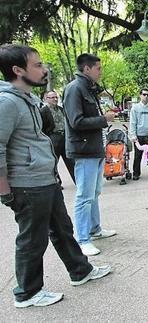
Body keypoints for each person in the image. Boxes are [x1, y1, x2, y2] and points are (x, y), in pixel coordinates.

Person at [0, 44, 111, 308]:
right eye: (37, 65)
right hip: (27, 185)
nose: (44, 69)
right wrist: (5, 191)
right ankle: (27, 292)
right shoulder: (7, 103)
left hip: (46, 180)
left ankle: (80, 271)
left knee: (63, 230)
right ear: (17, 70)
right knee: (32, 239)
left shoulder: (28, 100)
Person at [63, 53, 117, 256]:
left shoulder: (88, 89)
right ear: (87, 69)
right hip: (84, 150)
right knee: (84, 196)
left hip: (94, 149)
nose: (100, 71)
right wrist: (104, 119)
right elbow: (76, 121)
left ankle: (95, 229)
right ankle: (83, 238)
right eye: (98, 68)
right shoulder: (74, 89)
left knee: (93, 193)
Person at [39, 90, 75, 185]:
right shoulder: (43, 111)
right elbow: (42, 127)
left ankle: (78, 181)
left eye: (56, 97)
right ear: (46, 99)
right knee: (53, 162)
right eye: (52, 97)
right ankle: (57, 182)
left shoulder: (61, 109)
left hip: (64, 137)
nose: (55, 99)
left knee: (71, 160)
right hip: (53, 137)